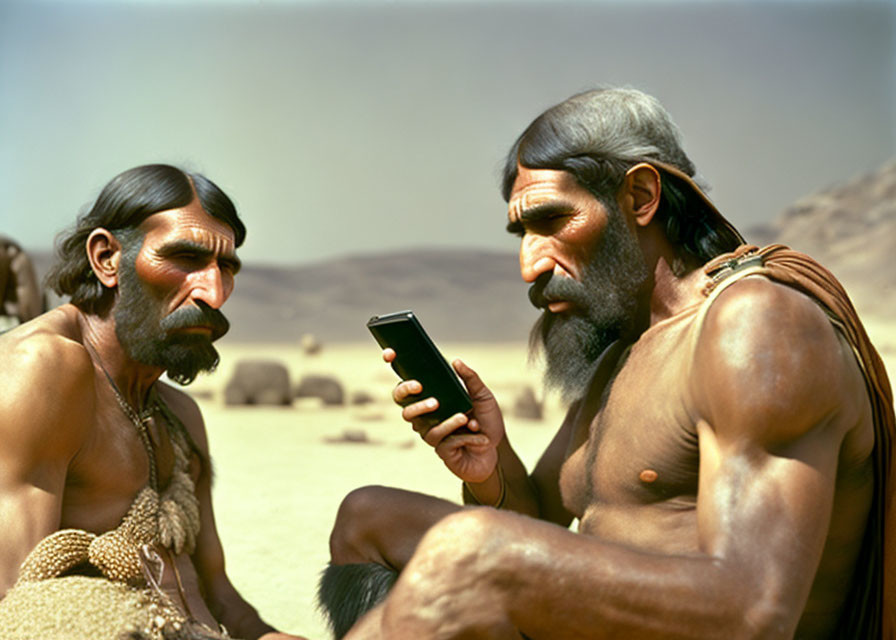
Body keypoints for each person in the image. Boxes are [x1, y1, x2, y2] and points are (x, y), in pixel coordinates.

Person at [318, 88, 895, 639]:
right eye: (521, 232)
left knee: (469, 550)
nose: (529, 265)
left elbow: (754, 615)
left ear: (640, 198)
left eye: (550, 221)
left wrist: (481, 556)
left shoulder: (756, 327)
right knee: (368, 515)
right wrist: (490, 466)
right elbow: (541, 522)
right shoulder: (624, 348)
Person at [0, 164, 307, 640]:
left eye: (226, 267)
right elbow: (21, 606)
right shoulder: (44, 369)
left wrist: (269, 635)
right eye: (184, 258)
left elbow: (218, 593)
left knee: (373, 523)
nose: (215, 292)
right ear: (106, 258)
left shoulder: (179, 413)